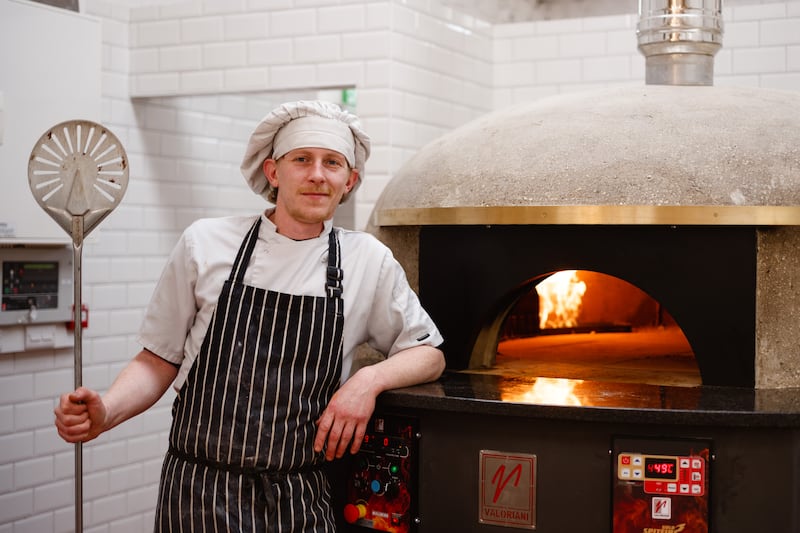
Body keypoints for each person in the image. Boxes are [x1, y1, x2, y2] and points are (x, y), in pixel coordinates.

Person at [54, 100, 445, 531]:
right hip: (198, 494)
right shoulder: (205, 243)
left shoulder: (367, 260)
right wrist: (106, 411)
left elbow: (428, 352)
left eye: (332, 163)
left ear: (349, 180)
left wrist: (367, 382)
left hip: (300, 498)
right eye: (302, 159)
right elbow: (159, 359)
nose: (318, 174)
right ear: (274, 171)